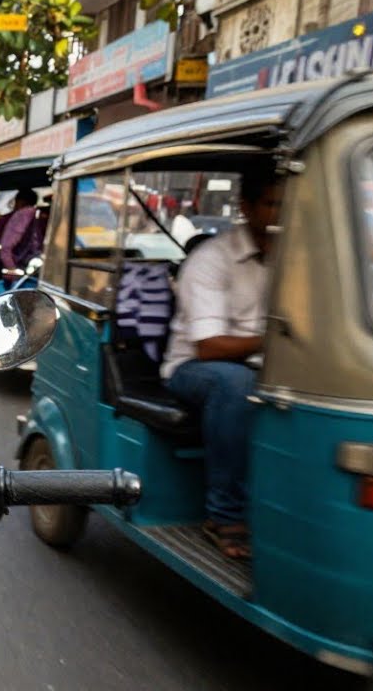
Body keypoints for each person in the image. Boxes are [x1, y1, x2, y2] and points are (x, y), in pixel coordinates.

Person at [161, 171, 283, 562]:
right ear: (247, 207)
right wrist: (277, 342)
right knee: (237, 385)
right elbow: (209, 347)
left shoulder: (296, 256)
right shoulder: (211, 259)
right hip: (194, 367)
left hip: (267, 362)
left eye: (287, 205)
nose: (281, 213)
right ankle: (225, 514)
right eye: (272, 204)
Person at [0, 188, 41, 287]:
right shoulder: (36, 217)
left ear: (17, 202)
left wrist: (11, 268)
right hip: (25, 271)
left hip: (15, 270)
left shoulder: (11, 218)